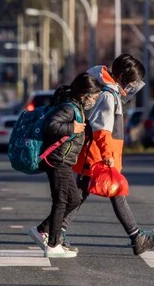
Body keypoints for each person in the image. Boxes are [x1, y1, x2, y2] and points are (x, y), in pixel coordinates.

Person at [63, 54, 154, 256]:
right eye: (131, 83)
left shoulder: (107, 89)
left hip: (100, 154)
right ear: (121, 77)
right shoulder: (107, 95)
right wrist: (108, 154)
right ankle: (53, 232)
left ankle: (137, 238)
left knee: (93, 195)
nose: (131, 89)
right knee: (88, 195)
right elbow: (102, 130)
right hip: (97, 156)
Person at [28, 73, 101, 258]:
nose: (94, 100)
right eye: (94, 97)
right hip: (57, 160)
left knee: (74, 200)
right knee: (61, 201)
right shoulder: (69, 108)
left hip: (64, 161)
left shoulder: (76, 108)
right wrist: (73, 129)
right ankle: (53, 245)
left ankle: (41, 230)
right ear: (85, 94)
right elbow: (51, 126)